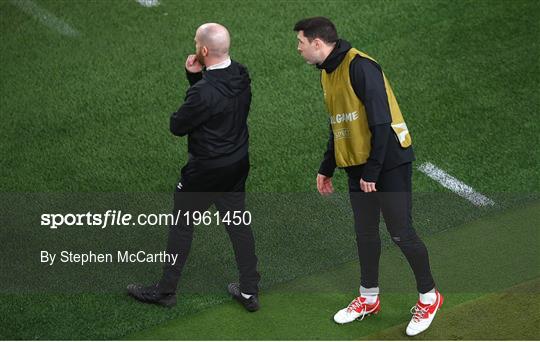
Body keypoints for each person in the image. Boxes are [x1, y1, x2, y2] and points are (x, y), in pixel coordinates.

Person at [293, 17, 443, 336]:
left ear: (317, 43)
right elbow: (340, 125)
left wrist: (373, 171)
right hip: (359, 164)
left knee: (401, 233)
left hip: (387, 161)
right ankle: (368, 298)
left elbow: (381, 121)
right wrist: (326, 167)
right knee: (365, 234)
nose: (299, 49)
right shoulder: (328, 74)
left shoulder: (360, 66)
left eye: (301, 43)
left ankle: (429, 297)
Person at [127, 23, 261, 312]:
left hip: (205, 171)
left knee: (182, 226)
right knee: (238, 224)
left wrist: (193, 78)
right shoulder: (241, 74)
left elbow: (178, 125)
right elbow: (218, 103)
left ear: (202, 50)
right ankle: (250, 290)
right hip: (237, 165)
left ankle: (165, 291)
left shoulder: (203, 92)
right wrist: (196, 77)